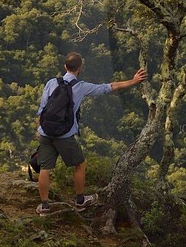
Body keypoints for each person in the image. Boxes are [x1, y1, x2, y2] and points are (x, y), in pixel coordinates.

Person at [33, 52, 147, 215]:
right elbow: (109, 87)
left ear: (65, 66)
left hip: (45, 132)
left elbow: (42, 109)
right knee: (80, 164)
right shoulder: (81, 87)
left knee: (45, 168)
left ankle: (44, 206)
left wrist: (39, 129)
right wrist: (134, 81)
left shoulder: (51, 83)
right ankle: (80, 201)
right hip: (64, 136)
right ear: (79, 69)